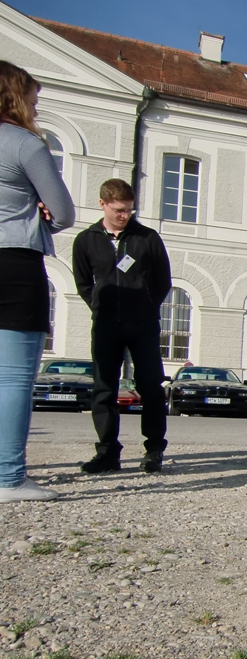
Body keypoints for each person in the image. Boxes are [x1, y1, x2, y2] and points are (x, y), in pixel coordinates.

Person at [0, 61, 75, 503]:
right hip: (14, 262)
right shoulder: (25, 144)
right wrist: (41, 212)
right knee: (12, 379)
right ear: (14, 98)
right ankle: (8, 478)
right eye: (32, 99)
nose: (35, 107)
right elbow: (63, 212)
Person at [73, 179, 171, 473]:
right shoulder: (86, 240)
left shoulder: (147, 238)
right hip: (106, 325)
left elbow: (163, 281)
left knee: (150, 386)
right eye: (119, 210)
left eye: (129, 210)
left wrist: (145, 307)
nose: (125, 215)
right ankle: (107, 452)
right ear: (102, 204)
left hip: (143, 325)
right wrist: (100, 307)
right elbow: (83, 283)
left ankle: (154, 449)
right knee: (104, 388)